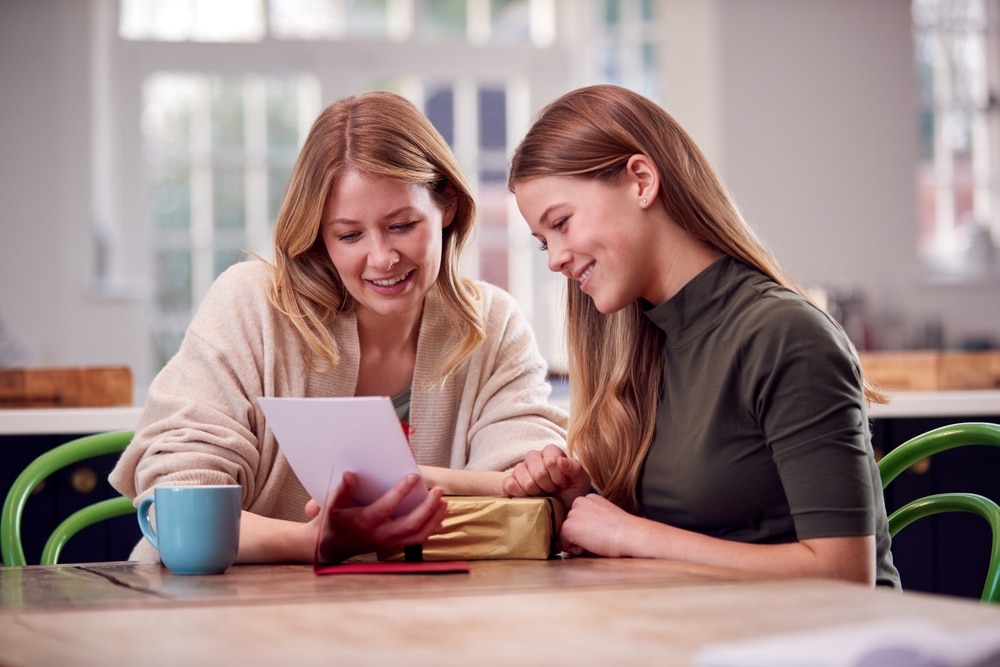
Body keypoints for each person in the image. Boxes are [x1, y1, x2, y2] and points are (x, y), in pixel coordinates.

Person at [110, 91, 567, 565]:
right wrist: (311, 542)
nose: (383, 258)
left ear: (446, 205)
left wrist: (422, 481)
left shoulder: (491, 324)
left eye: (403, 225)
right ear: (318, 235)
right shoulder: (252, 304)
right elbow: (179, 501)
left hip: (409, 613)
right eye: (349, 235)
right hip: (225, 607)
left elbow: (525, 499)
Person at [501, 84, 900, 588]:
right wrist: (587, 502)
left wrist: (632, 535)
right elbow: (697, 530)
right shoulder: (645, 339)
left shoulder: (784, 336)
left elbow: (844, 573)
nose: (556, 257)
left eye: (562, 222)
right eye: (543, 243)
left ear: (641, 181)